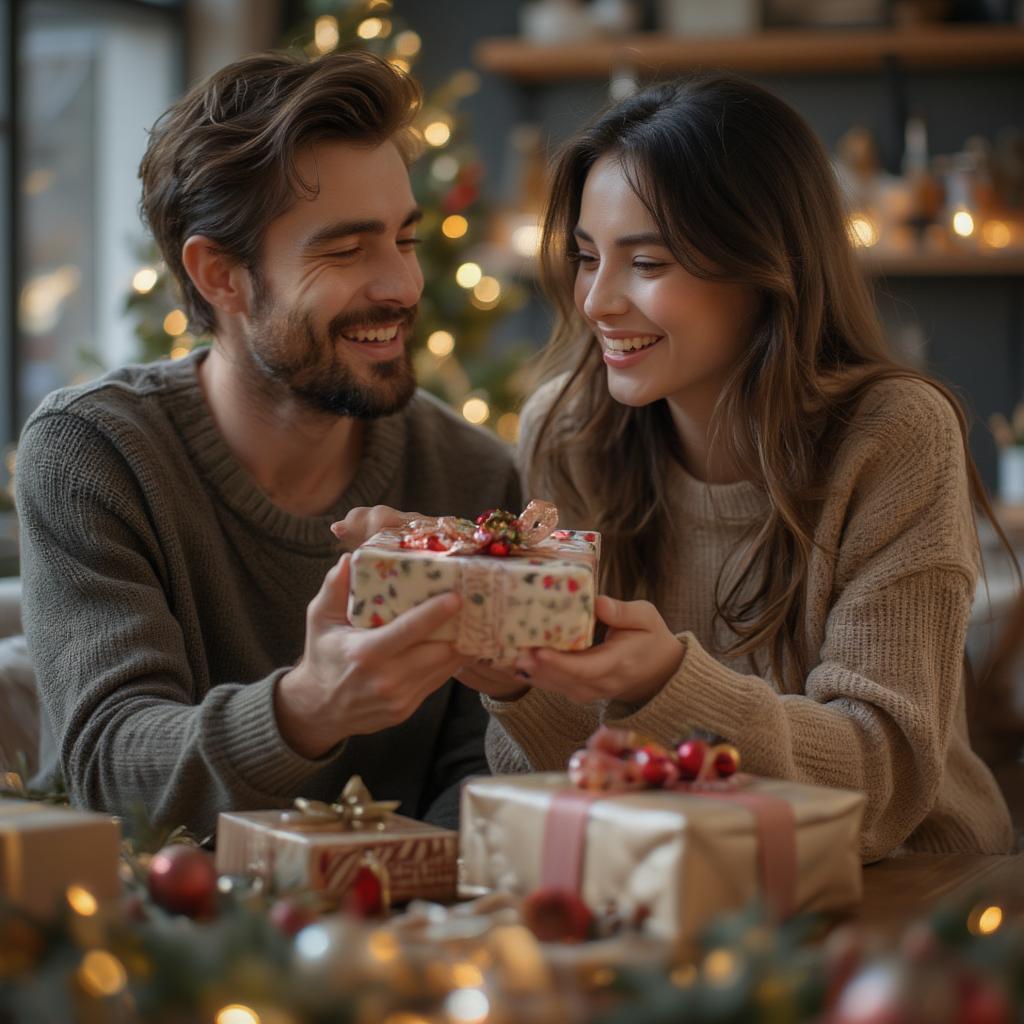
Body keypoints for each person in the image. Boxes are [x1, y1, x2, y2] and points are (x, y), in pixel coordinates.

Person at [469, 74, 1015, 860]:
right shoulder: (567, 429)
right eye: (588, 258)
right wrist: (517, 682)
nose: (595, 302)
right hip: (671, 886)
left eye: (647, 263)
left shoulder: (893, 434)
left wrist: (666, 687)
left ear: (764, 268)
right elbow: (561, 780)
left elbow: (884, 779)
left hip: (910, 891)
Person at [15, 50, 520, 838]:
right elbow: (109, 771)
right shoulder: (95, 455)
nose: (401, 286)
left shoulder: (471, 472)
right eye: (348, 250)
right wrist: (307, 708)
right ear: (222, 276)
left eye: (405, 240)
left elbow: (482, 777)